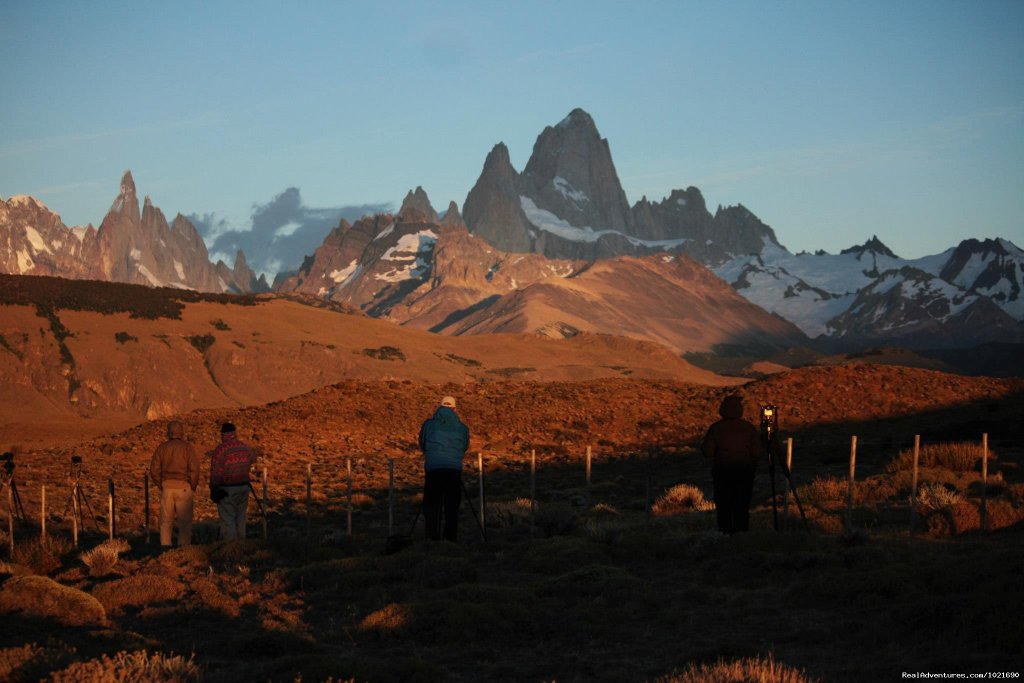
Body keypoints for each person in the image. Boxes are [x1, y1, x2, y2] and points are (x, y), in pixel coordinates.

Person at [701, 394, 762, 534]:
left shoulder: (716, 428)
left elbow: (708, 452)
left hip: (722, 472)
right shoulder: (749, 428)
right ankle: (742, 533)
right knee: (742, 504)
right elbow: (757, 452)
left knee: (724, 505)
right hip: (744, 472)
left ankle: (725, 533)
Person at [418, 395, 470, 542]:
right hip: (453, 471)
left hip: (433, 470)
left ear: (440, 407)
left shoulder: (428, 425)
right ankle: (450, 540)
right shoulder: (462, 428)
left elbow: (422, 444)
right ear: (454, 409)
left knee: (432, 505)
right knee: (451, 507)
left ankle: (432, 538)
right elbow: (465, 446)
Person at [149, 421, 201, 547]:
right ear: (181, 431)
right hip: (183, 487)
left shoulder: (162, 448)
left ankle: (165, 547)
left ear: (169, 432)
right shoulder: (187, 448)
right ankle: (183, 549)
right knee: (185, 523)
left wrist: (161, 484)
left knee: (165, 521)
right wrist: (192, 486)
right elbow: (195, 469)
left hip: (167, 488)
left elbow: (154, 469)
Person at [209, 422, 258, 541]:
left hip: (227, 489)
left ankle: (231, 547)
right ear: (235, 433)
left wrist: (214, 487)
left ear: (223, 434)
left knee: (228, 519)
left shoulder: (220, 450)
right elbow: (253, 458)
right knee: (241, 517)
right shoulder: (244, 446)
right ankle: (242, 544)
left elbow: (216, 472)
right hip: (243, 487)